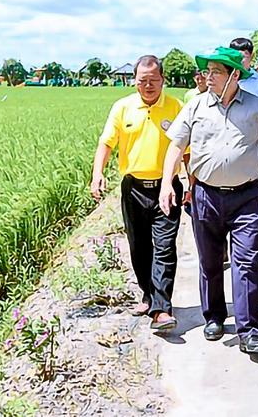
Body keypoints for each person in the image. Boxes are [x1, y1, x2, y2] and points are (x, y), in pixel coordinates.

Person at [159, 47, 258, 353]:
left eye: (216, 72)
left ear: (234, 75)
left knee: (247, 262)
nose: (208, 77)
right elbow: (175, 146)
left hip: (246, 197)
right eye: (207, 71)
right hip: (206, 196)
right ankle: (214, 316)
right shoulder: (196, 107)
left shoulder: (257, 108)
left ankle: (250, 330)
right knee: (211, 262)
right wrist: (166, 184)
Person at [91, 55, 184, 330]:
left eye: (153, 80)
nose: (148, 86)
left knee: (164, 247)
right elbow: (106, 143)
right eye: (143, 81)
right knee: (139, 248)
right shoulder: (122, 108)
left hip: (167, 187)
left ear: (163, 80)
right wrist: (97, 174)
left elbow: (186, 149)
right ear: (135, 81)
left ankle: (161, 310)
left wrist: (190, 182)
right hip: (133, 189)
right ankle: (148, 294)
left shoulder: (176, 107)